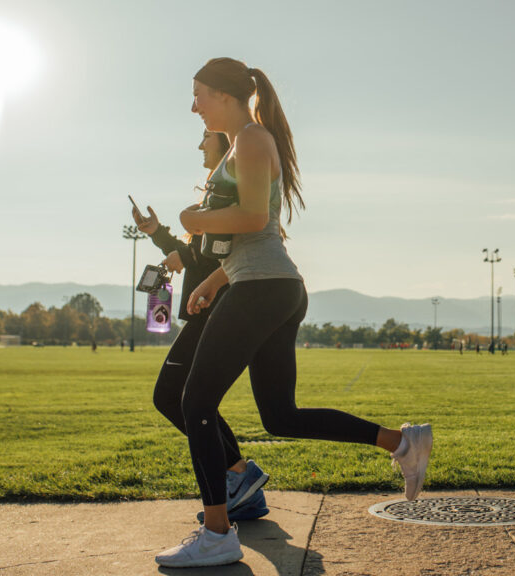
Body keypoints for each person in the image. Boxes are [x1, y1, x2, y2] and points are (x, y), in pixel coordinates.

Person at [154, 57, 432, 569]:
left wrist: (189, 219)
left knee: (194, 400)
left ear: (225, 94)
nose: (193, 105)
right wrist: (216, 281)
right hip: (263, 285)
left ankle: (217, 533)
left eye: (199, 94)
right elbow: (254, 239)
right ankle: (403, 443)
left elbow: (256, 217)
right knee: (280, 416)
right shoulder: (243, 144)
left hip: (266, 290)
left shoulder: (253, 140)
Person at [132, 129, 270, 524]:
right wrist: (157, 233)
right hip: (208, 309)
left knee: (172, 397)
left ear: (226, 145)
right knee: (192, 400)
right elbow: (198, 250)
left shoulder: (231, 190)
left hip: (215, 309)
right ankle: (245, 492)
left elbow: (219, 251)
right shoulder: (215, 195)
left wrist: (182, 252)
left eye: (206, 138)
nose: (199, 145)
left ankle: (241, 474)